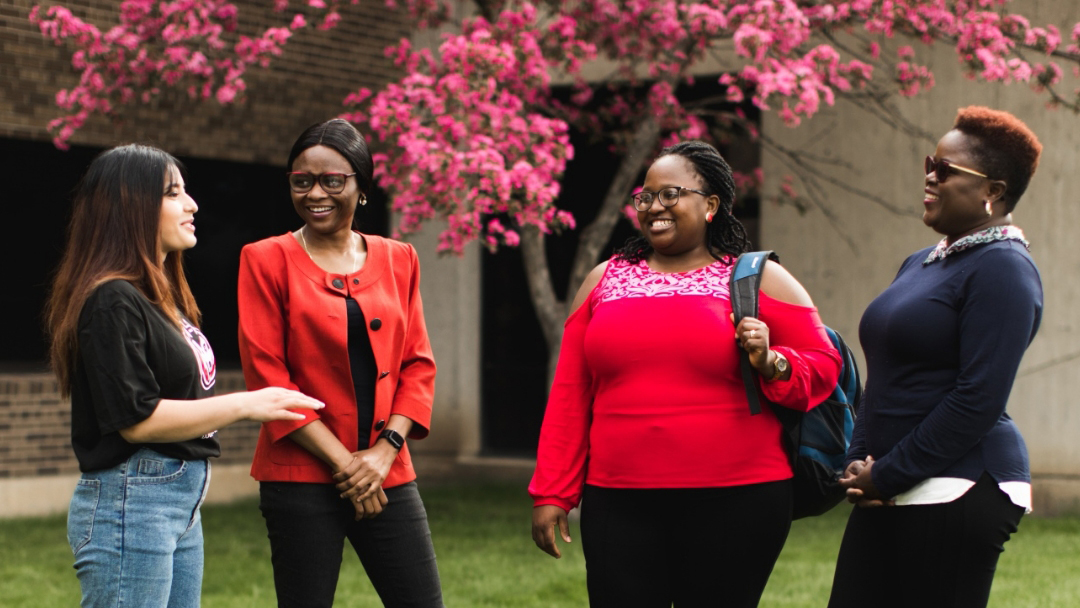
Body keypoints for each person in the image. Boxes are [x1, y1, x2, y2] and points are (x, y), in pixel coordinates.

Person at [529, 140, 843, 607]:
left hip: (738, 500)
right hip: (619, 499)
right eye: (645, 197)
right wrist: (553, 490)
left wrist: (770, 361)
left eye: (670, 194)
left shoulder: (757, 278)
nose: (655, 207)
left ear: (711, 204)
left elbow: (824, 366)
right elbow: (572, 391)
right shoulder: (604, 281)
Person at [45, 144, 324, 608]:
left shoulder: (161, 297)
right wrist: (248, 404)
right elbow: (137, 419)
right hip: (132, 500)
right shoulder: (112, 299)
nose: (192, 204)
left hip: (176, 501)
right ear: (130, 205)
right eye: (173, 194)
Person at [828, 106, 1044, 608]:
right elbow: (884, 375)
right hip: (890, 482)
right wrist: (860, 462)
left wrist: (886, 474)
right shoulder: (922, 262)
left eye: (945, 170)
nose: (929, 177)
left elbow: (979, 398)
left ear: (992, 190)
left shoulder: (1004, 269)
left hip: (958, 485)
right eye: (930, 163)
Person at [237, 118, 443, 608]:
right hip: (300, 478)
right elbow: (270, 379)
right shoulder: (264, 259)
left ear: (361, 187)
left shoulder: (400, 258)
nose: (315, 193)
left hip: (387, 471)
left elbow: (418, 365)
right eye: (301, 180)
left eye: (333, 181)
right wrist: (349, 466)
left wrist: (383, 454)